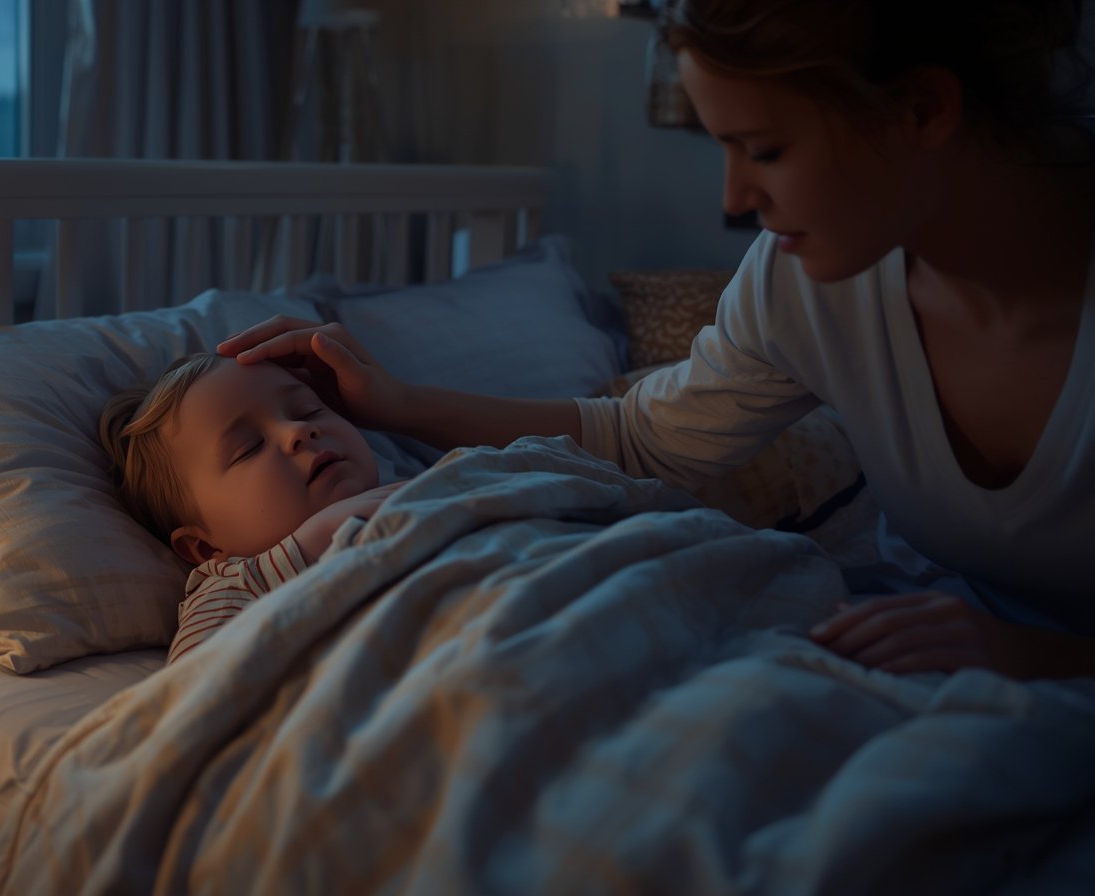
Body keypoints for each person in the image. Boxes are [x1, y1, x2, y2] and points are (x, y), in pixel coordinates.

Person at [216, 0, 1095, 680]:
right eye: (722, 147)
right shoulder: (803, 284)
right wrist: (396, 402)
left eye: (767, 149)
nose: (732, 199)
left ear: (923, 107)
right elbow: (643, 439)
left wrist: (1031, 655)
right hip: (919, 652)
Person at [100, 353, 404, 663]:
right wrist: (310, 545)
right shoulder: (234, 589)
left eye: (308, 411)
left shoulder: (420, 477)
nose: (298, 430)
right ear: (204, 548)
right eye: (249, 448)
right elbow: (195, 689)